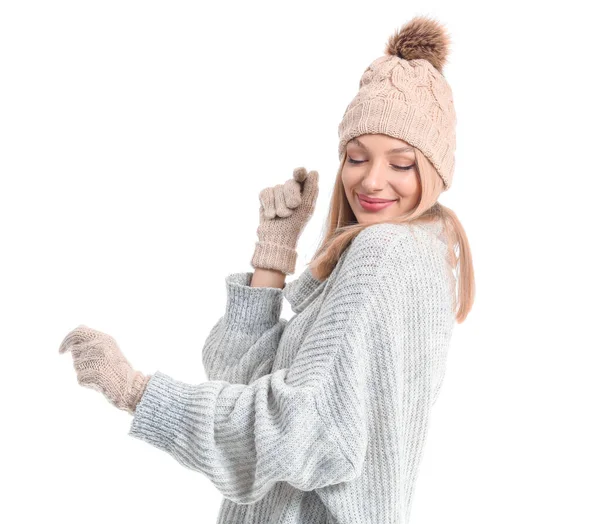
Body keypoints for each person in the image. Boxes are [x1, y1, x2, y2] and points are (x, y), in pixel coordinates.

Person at [58, 15, 475, 524]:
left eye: (401, 163)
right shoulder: (415, 254)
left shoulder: (385, 255)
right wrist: (273, 254)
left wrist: (135, 391)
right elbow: (242, 383)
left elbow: (300, 433)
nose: (371, 180)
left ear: (433, 170)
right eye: (356, 156)